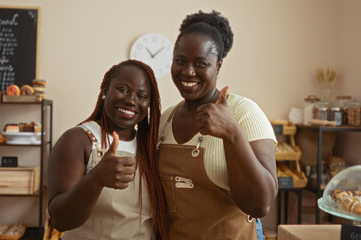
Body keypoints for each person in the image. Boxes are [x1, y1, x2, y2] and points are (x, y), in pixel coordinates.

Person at [157, 10, 277, 239]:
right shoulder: (166, 120)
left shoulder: (244, 113)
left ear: (219, 66)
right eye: (180, 61)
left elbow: (261, 205)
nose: (188, 72)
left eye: (200, 63)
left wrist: (232, 133)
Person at [47, 59, 166, 240]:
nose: (131, 101)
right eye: (123, 90)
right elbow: (60, 220)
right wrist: (95, 179)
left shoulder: (149, 147)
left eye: (142, 96)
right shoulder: (78, 140)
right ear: (104, 91)